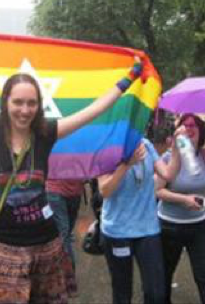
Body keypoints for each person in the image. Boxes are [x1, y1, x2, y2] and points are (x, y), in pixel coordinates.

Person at [0, 28, 143, 304]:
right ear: (6, 102)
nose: (24, 110)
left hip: (47, 246)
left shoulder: (46, 133)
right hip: (5, 248)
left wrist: (130, 76)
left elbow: (94, 110)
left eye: (32, 103)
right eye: (18, 102)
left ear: (39, 105)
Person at [97, 131, 183, 304]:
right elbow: (105, 191)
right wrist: (126, 164)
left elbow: (167, 175)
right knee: (122, 292)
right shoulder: (106, 147)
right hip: (117, 232)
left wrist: (175, 151)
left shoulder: (147, 145)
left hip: (147, 229)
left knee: (156, 293)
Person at [156, 114, 205, 304]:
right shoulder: (169, 157)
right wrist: (184, 199)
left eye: (194, 126)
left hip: (199, 225)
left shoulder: (203, 155)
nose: (189, 129)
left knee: (203, 276)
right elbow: (157, 191)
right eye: (185, 126)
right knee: (164, 276)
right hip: (169, 226)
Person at [46, 179, 85, 269]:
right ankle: (68, 271)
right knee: (65, 234)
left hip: (68, 191)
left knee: (64, 234)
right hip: (62, 191)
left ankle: (66, 272)